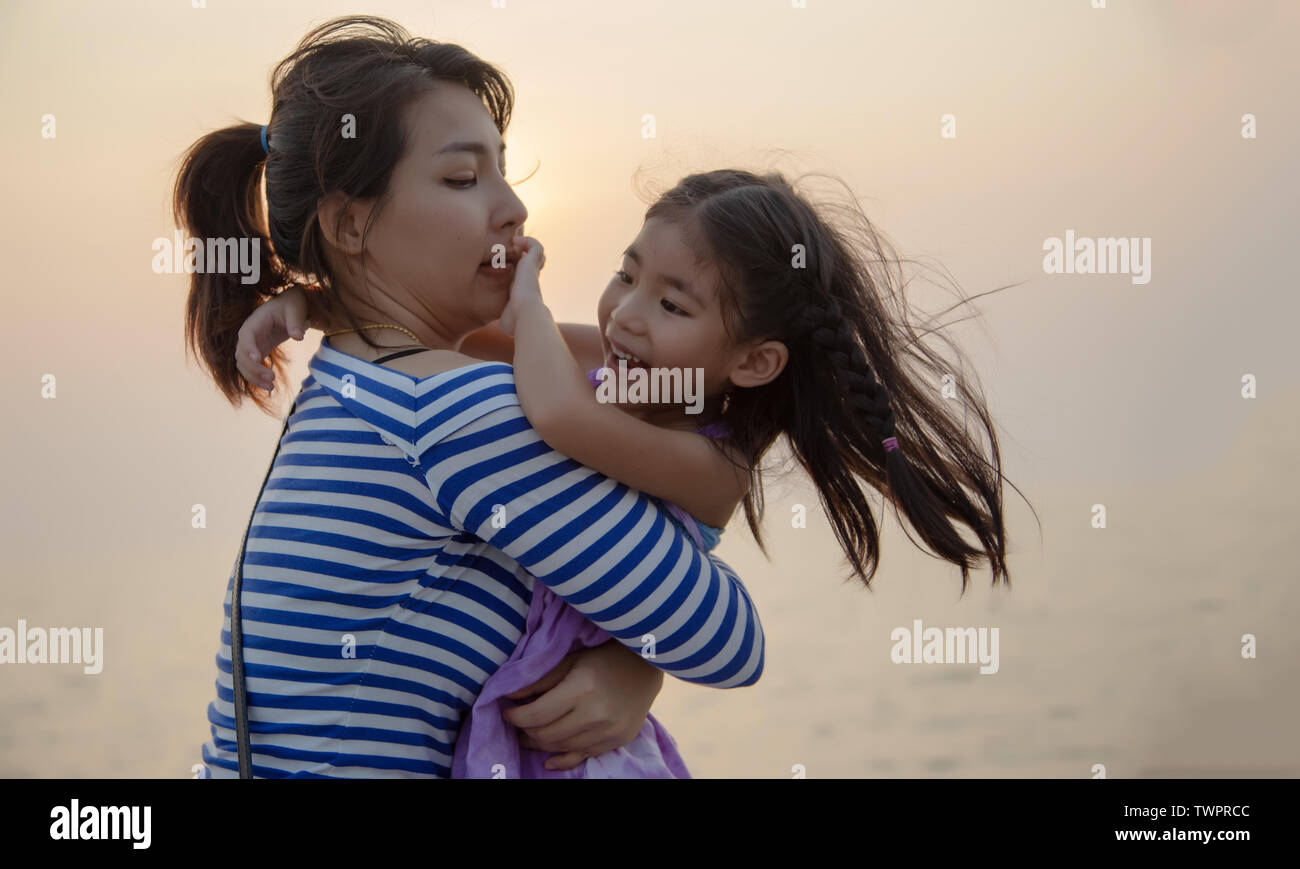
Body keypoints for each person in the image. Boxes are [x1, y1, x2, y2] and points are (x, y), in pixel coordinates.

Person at [241, 165, 1028, 775]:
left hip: (584, 749)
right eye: (627, 272)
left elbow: (557, 413)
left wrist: (531, 302)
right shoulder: (616, 363)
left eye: (674, 305)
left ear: (754, 361)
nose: (625, 312)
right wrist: (313, 307)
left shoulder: (712, 463)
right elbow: (459, 336)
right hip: (535, 703)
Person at [178, 16, 764, 779]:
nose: (514, 207)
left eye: (503, 170)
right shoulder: (455, 413)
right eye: (463, 178)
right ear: (350, 225)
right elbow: (726, 639)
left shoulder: (359, 384)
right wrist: (634, 660)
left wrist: (632, 658)